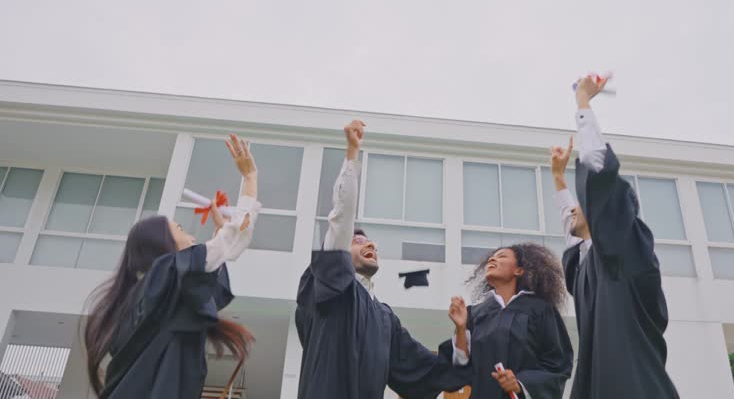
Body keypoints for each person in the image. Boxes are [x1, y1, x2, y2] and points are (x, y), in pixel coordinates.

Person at [295, 120, 469, 399]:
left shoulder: (384, 318)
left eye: (372, 242)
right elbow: (340, 220)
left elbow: (426, 370)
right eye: (358, 240)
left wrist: (461, 332)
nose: (370, 244)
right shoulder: (330, 288)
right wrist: (352, 155)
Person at [84, 134, 261, 398]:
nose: (188, 233)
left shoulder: (150, 295)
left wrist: (217, 234)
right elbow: (228, 244)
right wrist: (250, 179)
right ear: (162, 244)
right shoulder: (163, 277)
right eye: (178, 228)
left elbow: (206, 279)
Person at [550, 74, 679, 398]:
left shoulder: (624, 251)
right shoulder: (589, 266)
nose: (576, 210)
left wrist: (582, 103)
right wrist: (558, 178)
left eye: (584, 203)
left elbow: (600, 174)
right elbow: (574, 236)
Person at [444, 243, 574, 398]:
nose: (492, 259)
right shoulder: (475, 313)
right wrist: (460, 328)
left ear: (519, 270)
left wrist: (521, 384)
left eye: (502, 256)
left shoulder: (540, 309)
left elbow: (557, 364)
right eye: (492, 257)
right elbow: (462, 364)